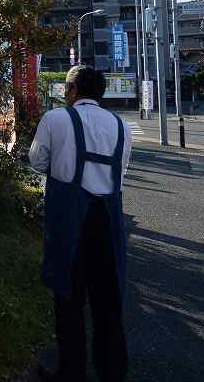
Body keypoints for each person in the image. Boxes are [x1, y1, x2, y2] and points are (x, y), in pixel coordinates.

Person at [28, 65, 132, 382]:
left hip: (69, 221)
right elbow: (121, 174)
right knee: (108, 302)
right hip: (108, 222)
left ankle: (71, 372)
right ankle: (111, 372)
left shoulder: (56, 119)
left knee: (68, 299)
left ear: (72, 89)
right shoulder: (121, 126)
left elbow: (37, 161)